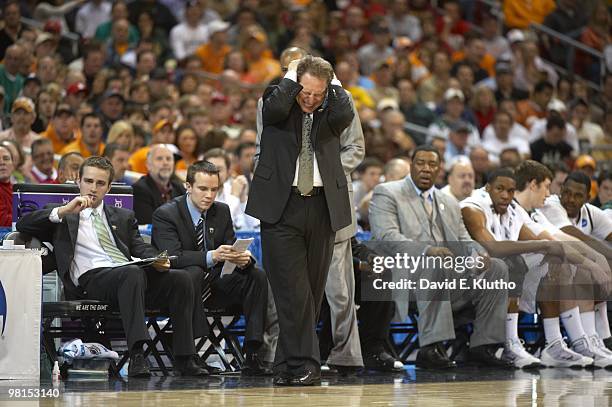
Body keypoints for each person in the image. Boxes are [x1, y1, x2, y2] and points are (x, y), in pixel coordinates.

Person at [16, 156, 208, 377]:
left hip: (126, 276)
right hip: (91, 280)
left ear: (108, 188)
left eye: (100, 183)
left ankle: (185, 356)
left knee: (181, 278)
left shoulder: (123, 216)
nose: (93, 188)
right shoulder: (64, 213)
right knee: (131, 273)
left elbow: (141, 250)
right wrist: (63, 211)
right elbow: (23, 224)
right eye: (88, 181)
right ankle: (137, 354)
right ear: (78, 181)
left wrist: (158, 259)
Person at [246, 55, 354, 386]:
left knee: (311, 289)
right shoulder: (278, 99)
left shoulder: (330, 111)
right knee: (292, 290)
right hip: (282, 206)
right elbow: (274, 108)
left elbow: (345, 113)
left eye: (317, 95)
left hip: (322, 206)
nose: (309, 100)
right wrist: (295, 74)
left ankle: (286, 365)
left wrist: (331, 82)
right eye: (304, 92)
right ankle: (307, 362)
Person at [369, 145, 511, 369]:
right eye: (421, 163)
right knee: (433, 263)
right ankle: (431, 348)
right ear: (411, 165)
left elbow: (464, 240)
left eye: (432, 164)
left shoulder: (450, 202)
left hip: (448, 278)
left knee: (497, 268)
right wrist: (427, 251)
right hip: (408, 277)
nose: (426, 169)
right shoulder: (387, 192)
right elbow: (386, 237)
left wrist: (478, 253)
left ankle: (483, 346)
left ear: (440, 170)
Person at [151, 161, 275, 376]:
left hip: (216, 283)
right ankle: (187, 356)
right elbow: (171, 257)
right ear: (188, 187)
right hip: (180, 286)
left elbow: (230, 245)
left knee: (256, 275)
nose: (209, 195)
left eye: (213, 189)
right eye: (202, 189)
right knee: (192, 273)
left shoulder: (222, 211)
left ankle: (253, 353)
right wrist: (211, 256)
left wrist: (241, 259)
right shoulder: (166, 214)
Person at [132, 144, 185, 225]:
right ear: (148, 165)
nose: (165, 163)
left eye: (169, 159)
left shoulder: (179, 188)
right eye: (159, 159)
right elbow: (149, 225)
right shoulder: (139, 189)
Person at [0, 143, 14, 226]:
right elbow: (2, 221)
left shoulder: (17, 189)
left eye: (6, 158)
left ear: (13, 164)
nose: (2, 163)